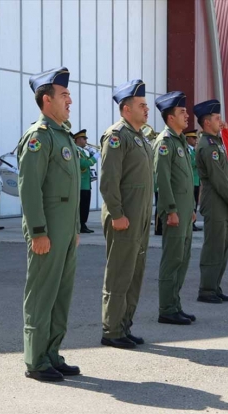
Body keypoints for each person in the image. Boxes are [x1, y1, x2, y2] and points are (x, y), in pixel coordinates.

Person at [18, 67, 81, 382]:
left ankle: (52, 353)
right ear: (47, 99)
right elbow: (29, 188)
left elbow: (69, 188)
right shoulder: (38, 137)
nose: (70, 99)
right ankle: (35, 358)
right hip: (47, 232)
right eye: (64, 94)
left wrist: (76, 230)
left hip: (66, 232)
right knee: (42, 293)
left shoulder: (62, 134)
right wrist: (39, 232)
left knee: (60, 293)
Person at [99, 79, 153, 349]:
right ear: (125, 109)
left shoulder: (139, 137)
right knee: (119, 273)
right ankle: (111, 330)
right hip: (124, 217)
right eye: (141, 105)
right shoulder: (117, 135)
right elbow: (109, 181)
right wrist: (117, 214)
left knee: (134, 273)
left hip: (140, 217)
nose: (147, 110)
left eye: (146, 105)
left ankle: (124, 325)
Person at [154, 91, 196, 324]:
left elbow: (185, 182)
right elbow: (163, 179)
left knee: (182, 259)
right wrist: (170, 209)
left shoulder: (180, 141)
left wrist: (188, 208)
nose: (187, 115)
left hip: (183, 211)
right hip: (173, 213)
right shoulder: (165, 142)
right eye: (182, 112)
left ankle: (175, 304)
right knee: (172, 259)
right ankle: (166, 308)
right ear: (171, 117)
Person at [195, 99, 228, 303]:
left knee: (222, 246)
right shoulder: (207, 146)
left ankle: (215, 285)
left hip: (222, 202)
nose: (221, 122)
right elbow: (218, 178)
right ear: (206, 122)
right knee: (213, 246)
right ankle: (207, 289)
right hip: (215, 202)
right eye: (217, 118)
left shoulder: (216, 142)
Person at [73, 129, 99, 233]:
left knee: (85, 205)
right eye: (84, 139)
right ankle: (81, 225)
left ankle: (83, 224)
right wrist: (94, 158)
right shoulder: (76, 150)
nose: (85, 141)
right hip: (80, 184)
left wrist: (92, 154)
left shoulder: (82, 151)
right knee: (82, 206)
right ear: (78, 139)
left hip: (86, 184)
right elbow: (84, 163)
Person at [186, 129, 202, 232]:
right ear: (187, 139)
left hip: (196, 180)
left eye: (196, 138)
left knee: (195, 203)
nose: (195, 140)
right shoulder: (187, 150)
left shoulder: (194, 150)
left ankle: (193, 222)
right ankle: (190, 223)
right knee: (191, 203)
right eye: (193, 138)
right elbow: (191, 163)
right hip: (191, 180)